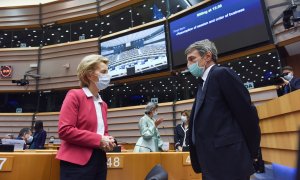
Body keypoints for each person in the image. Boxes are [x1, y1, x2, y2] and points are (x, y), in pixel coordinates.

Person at [185, 39, 261, 180]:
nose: (189, 65)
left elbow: (247, 115)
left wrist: (251, 152)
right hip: (211, 163)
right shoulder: (202, 84)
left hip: (229, 162)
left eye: (192, 59)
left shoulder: (221, 74)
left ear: (207, 56)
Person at [56, 54, 115, 180]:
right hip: (76, 163)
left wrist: (108, 140)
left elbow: (102, 133)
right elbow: (65, 130)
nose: (108, 75)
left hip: (99, 160)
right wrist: (99, 139)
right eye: (103, 72)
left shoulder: (103, 104)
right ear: (89, 75)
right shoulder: (74, 96)